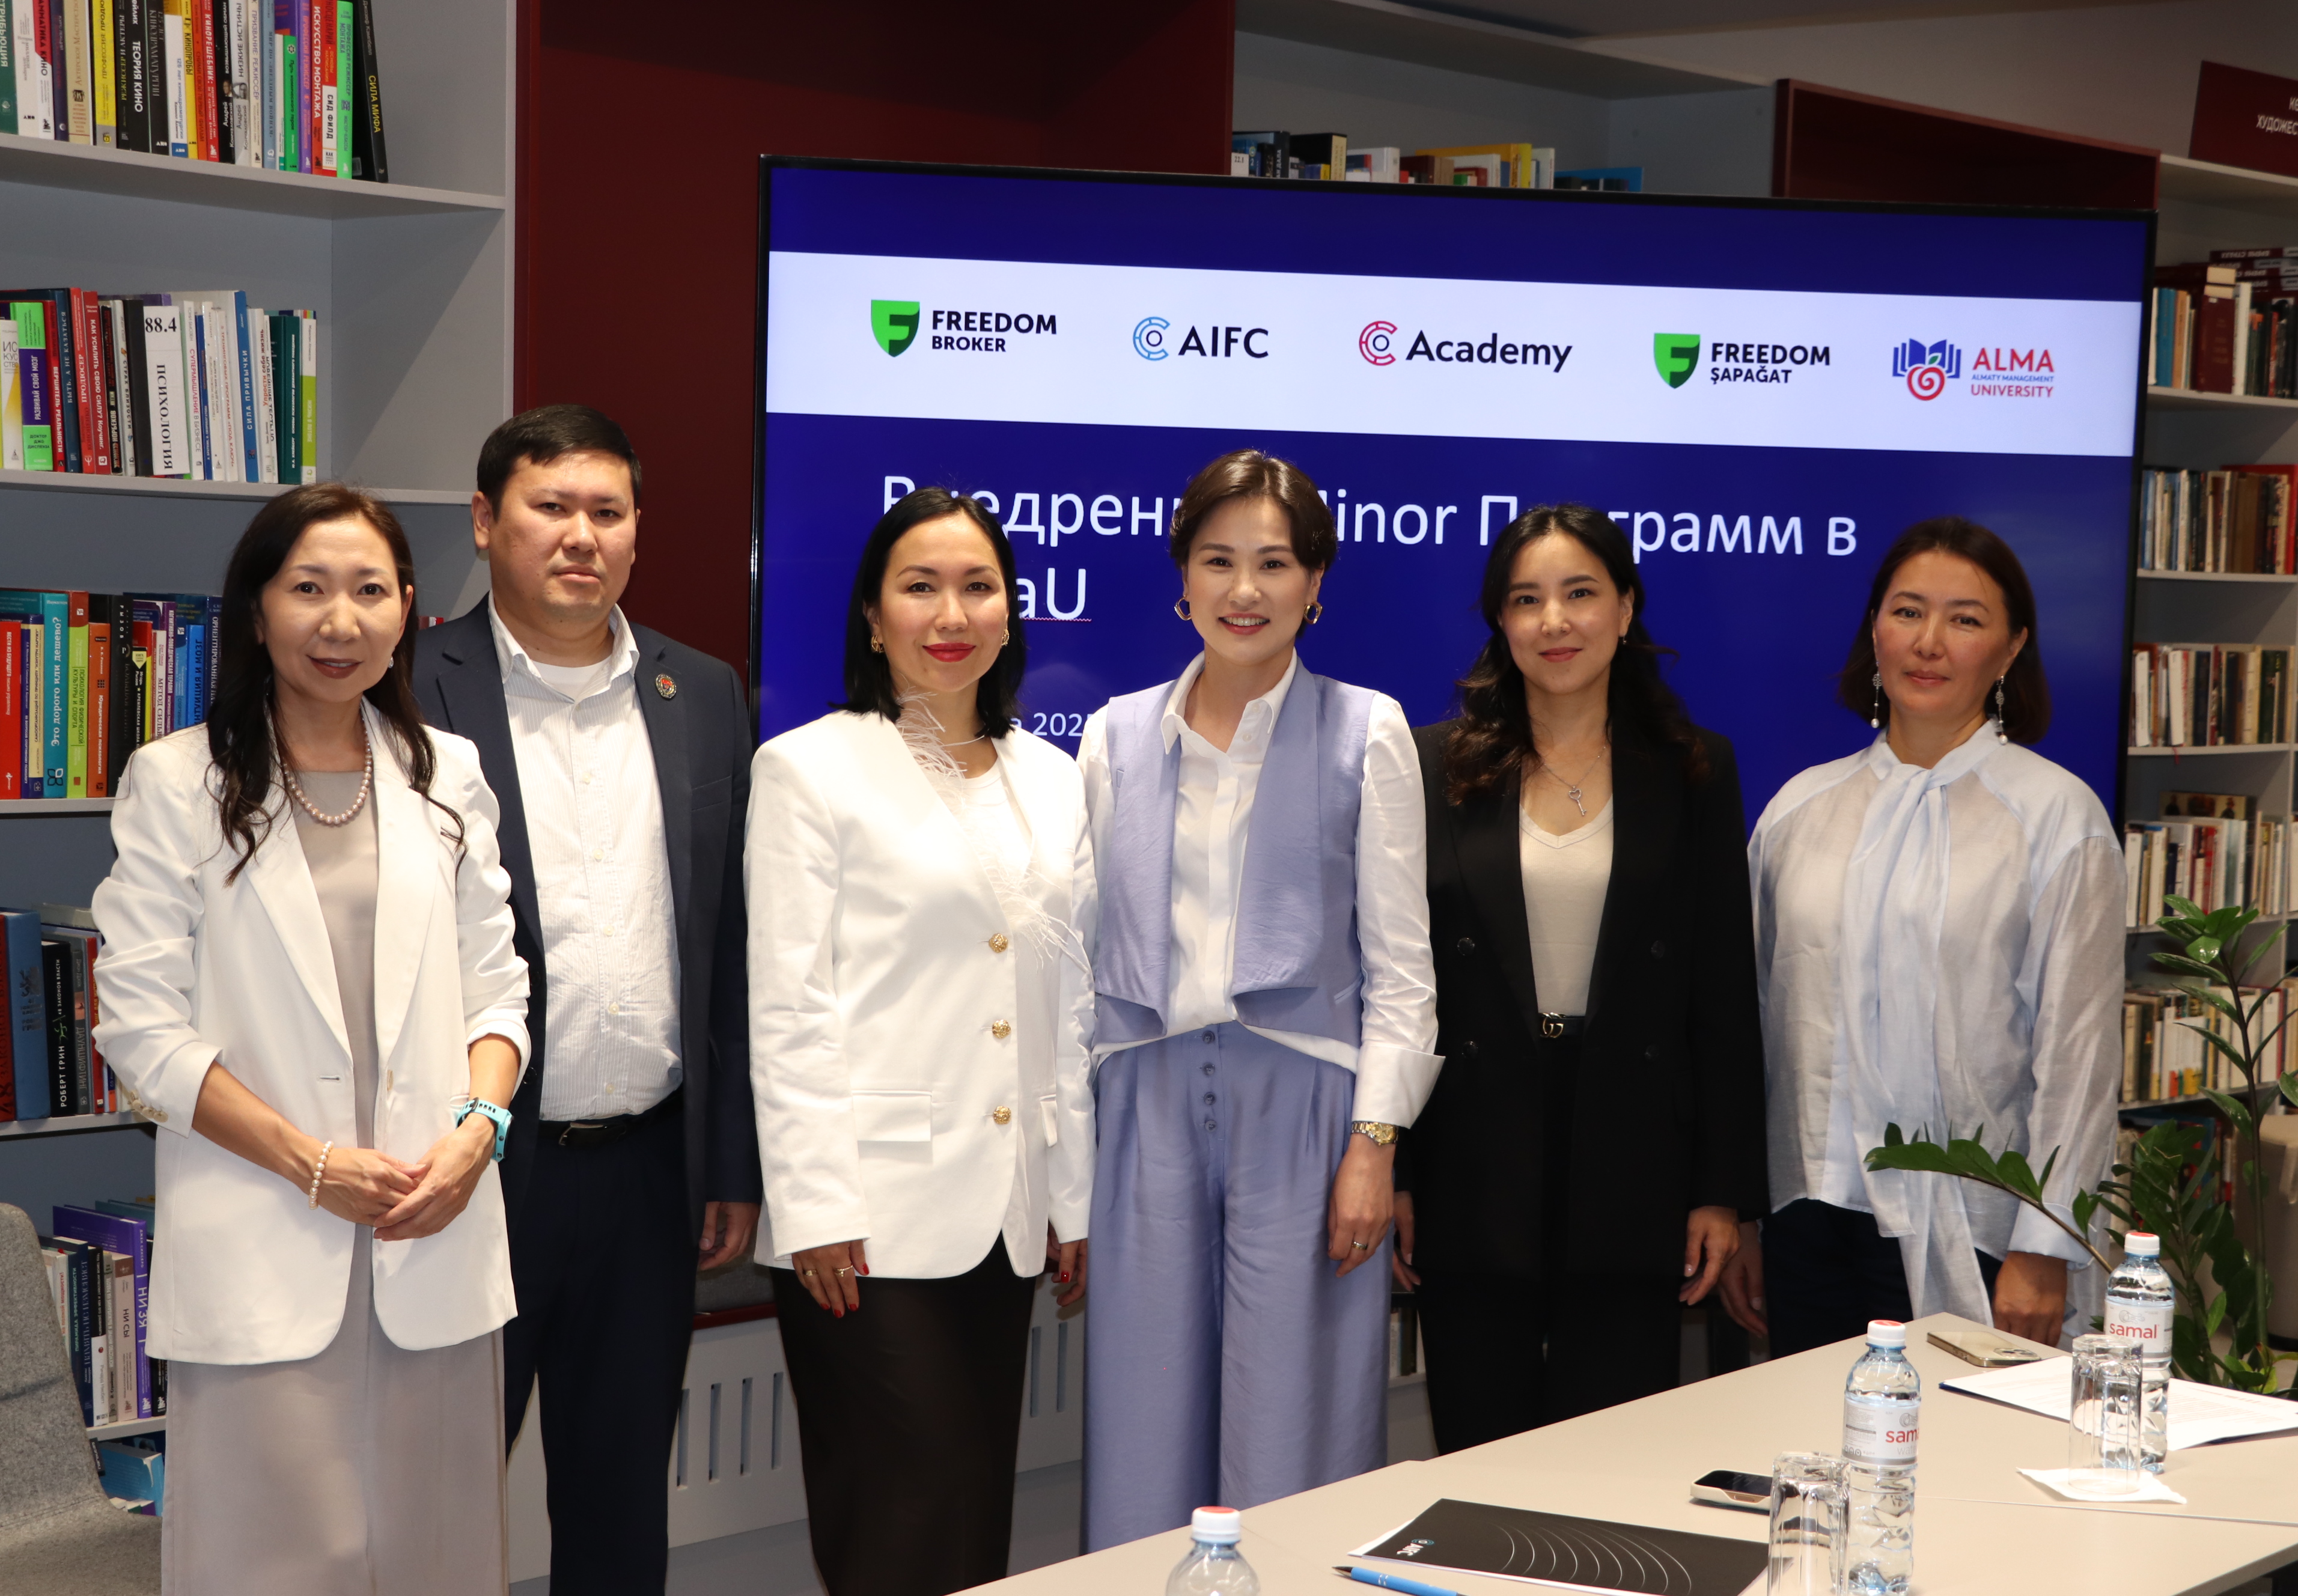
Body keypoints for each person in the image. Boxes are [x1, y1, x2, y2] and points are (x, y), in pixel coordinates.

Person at [91, 484, 530, 1594]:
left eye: (370, 591)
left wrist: (478, 1132)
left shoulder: (448, 773)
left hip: (433, 1230)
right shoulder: (177, 781)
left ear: (408, 609)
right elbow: (140, 1031)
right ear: (257, 609)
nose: (342, 622)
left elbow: (499, 992)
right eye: (309, 589)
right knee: (275, 1565)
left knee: (439, 1561)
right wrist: (312, 1163)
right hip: (265, 1234)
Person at [413, 405, 762, 1593]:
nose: (581, 535)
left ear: (636, 530)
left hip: (649, 1176)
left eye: (607, 511)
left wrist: (728, 1161)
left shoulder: (700, 689)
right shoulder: (411, 686)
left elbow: (727, 940)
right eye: (550, 507)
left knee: (619, 1514)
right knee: (439, 1505)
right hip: (474, 1169)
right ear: (485, 521)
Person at [1077, 449, 1440, 1550]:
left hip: (1309, 1112)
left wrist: (1375, 1144)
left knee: (1294, 1431)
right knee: (1142, 1423)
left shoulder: (1367, 729)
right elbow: (1079, 960)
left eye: (1275, 563)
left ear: (1315, 583)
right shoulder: (1113, 735)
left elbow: (1403, 968)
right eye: (1218, 560)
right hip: (1142, 1105)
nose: (1245, 590)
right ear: (1182, 578)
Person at [746, 487, 1097, 1596]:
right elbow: (789, 1003)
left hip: (1007, 1211)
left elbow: (1066, 1001)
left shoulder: (1052, 776)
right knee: (902, 1511)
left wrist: (1071, 1197)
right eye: (920, 587)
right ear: (872, 616)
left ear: (1010, 611)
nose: (952, 614)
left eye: (978, 587)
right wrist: (814, 1208)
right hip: (868, 1219)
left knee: (973, 1510)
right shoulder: (808, 768)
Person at [1395, 504, 1767, 1452]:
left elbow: (1721, 992)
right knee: (1479, 1447)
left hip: (1635, 1154)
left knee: (1611, 1457)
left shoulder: (1693, 768)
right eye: (1527, 600)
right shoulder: (1432, 767)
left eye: (1579, 594)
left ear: (1626, 609)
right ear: (1501, 621)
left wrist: (1721, 1192)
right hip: (1472, 1154)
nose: (1554, 621)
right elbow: (1398, 984)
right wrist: (1395, 1170)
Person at [1744, 516, 2122, 1356]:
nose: (1929, 643)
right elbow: (1753, 1024)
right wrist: (1742, 1216)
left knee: (1961, 1437)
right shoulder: (1798, 810)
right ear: (1875, 629)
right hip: (1805, 1216)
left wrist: (2046, 1244)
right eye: (1908, 611)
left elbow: (2080, 1054)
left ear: (2012, 647)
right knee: (1805, 1433)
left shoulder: (2058, 818)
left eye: (1966, 619)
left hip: (1979, 1227)